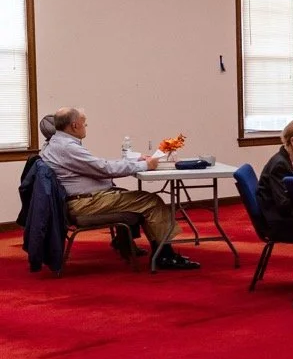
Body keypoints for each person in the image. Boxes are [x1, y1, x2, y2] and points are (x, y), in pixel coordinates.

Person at [40, 107, 198, 270]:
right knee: (151, 201)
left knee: (129, 196)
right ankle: (165, 255)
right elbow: (104, 169)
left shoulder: (55, 143)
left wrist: (136, 160)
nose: (86, 127)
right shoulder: (68, 147)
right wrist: (145, 165)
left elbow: (97, 165)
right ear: (74, 125)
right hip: (85, 203)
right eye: (84, 124)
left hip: (78, 199)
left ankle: (124, 243)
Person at [255, 118, 293, 243]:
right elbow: (283, 204)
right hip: (280, 224)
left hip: (281, 217)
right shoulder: (280, 165)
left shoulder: (288, 161)